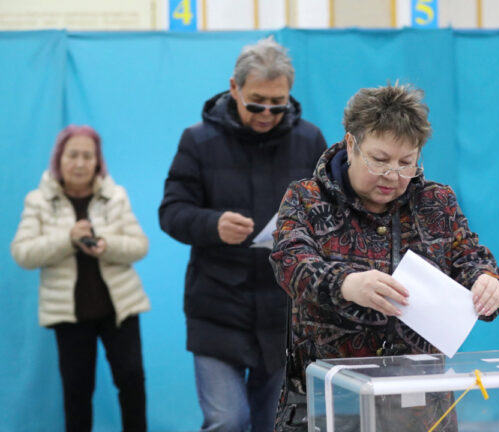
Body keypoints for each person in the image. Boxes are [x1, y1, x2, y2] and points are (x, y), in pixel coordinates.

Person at [269, 83, 499, 431]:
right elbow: (289, 261)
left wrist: (488, 282)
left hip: (420, 408)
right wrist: (347, 284)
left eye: (406, 162)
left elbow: (469, 257)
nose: (392, 175)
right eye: (379, 160)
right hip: (331, 404)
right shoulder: (306, 199)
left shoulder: (436, 202)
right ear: (351, 144)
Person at [158, 36, 327, 432]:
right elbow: (171, 212)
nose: (267, 113)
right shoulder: (198, 140)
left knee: (274, 423)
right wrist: (212, 225)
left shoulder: (310, 140)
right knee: (227, 420)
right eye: (256, 103)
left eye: (277, 104)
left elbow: (330, 213)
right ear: (234, 88)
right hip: (217, 305)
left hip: (284, 311)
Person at [11, 125, 151, 432]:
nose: (79, 163)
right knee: (77, 392)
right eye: (72, 155)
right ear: (58, 159)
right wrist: (68, 239)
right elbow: (22, 253)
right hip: (69, 315)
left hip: (120, 309)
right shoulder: (38, 200)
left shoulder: (115, 196)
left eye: (88, 156)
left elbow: (140, 245)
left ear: (98, 161)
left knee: (132, 382)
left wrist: (107, 245)